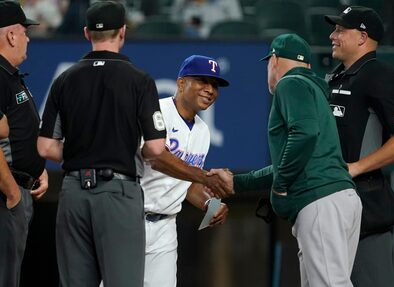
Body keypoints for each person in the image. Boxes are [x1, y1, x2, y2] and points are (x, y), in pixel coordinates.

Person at [209, 33, 362, 287]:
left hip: (319, 199)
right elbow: (293, 156)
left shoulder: (289, 84)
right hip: (340, 198)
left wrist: (280, 186)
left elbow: (303, 135)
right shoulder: (312, 89)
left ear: (275, 60)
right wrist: (238, 183)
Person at [37, 1, 167, 286]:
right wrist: (133, 151)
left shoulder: (64, 79)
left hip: (73, 193)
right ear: (122, 32)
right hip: (118, 192)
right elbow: (156, 148)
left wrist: (81, 153)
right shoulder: (139, 80)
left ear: (86, 33)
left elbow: (45, 147)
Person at [324, 6, 394, 287]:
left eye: (341, 30)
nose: (332, 35)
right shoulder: (340, 75)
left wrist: (355, 168)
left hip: (367, 206)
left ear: (363, 37)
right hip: (335, 202)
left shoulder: (379, 74)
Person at [134, 54, 229, 287]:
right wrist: (205, 176)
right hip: (130, 219)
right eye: (202, 81)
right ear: (180, 82)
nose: (210, 89)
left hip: (166, 226)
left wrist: (210, 204)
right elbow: (156, 157)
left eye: (215, 85)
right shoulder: (156, 111)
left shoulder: (203, 132)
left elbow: (187, 185)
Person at [0, 1, 49, 286]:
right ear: (10, 36)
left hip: (18, 187)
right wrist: (12, 192)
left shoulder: (10, 75)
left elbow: (19, 132)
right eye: (25, 31)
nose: (28, 38)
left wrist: (36, 167)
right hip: (6, 196)